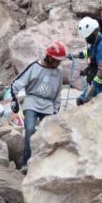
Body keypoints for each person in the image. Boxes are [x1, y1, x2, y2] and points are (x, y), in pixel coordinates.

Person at [11, 41, 65, 172]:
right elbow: (17, 83)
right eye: (57, 60)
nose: (59, 63)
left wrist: (56, 108)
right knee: (30, 129)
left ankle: (47, 162)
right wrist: (14, 100)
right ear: (50, 58)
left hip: (48, 104)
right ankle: (26, 162)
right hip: (32, 101)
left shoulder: (59, 71)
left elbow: (58, 92)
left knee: (51, 132)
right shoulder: (34, 67)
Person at [70, 17, 102, 104]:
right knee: (81, 101)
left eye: (88, 36)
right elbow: (90, 53)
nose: (87, 39)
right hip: (100, 80)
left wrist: (93, 87)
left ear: (95, 31)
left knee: (97, 103)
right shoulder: (96, 43)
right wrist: (76, 55)